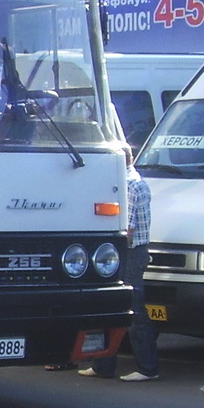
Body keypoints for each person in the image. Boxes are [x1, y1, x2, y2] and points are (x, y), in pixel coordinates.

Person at [79, 152, 160, 381]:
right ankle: (103, 364)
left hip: (131, 253)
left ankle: (147, 367)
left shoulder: (130, 186)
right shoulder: (127, 183)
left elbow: (128, 230)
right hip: (128, 252)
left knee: (133, 309)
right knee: (110, 306)